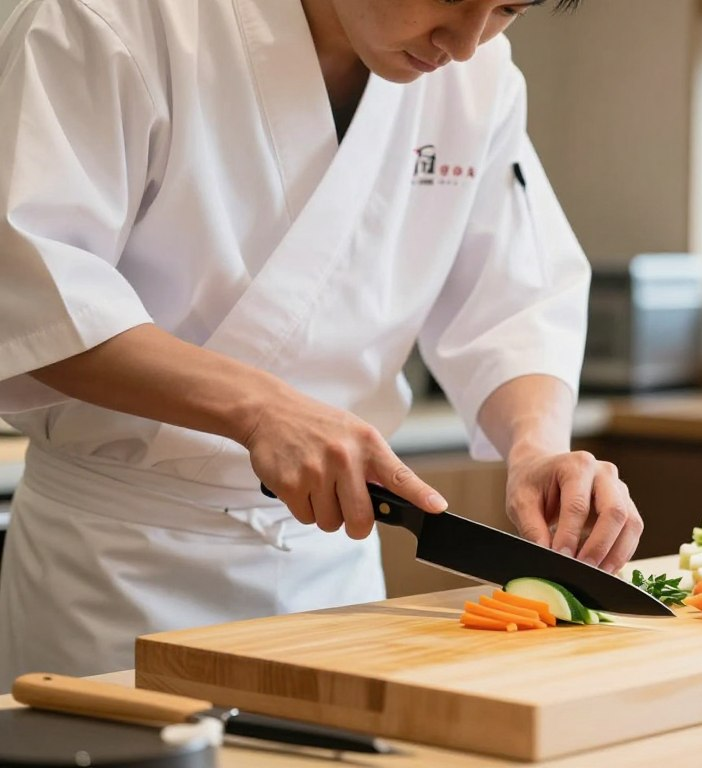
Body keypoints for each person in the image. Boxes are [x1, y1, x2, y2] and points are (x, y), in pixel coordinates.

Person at [0, 0, 643, 691]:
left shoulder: (479, 76)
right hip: (114, 577)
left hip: (332, 579)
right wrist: (259, 410)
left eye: (508, 9)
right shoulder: (105, 16)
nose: (464, 43)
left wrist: (536, 446)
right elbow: (33, 294)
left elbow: (514, 298)